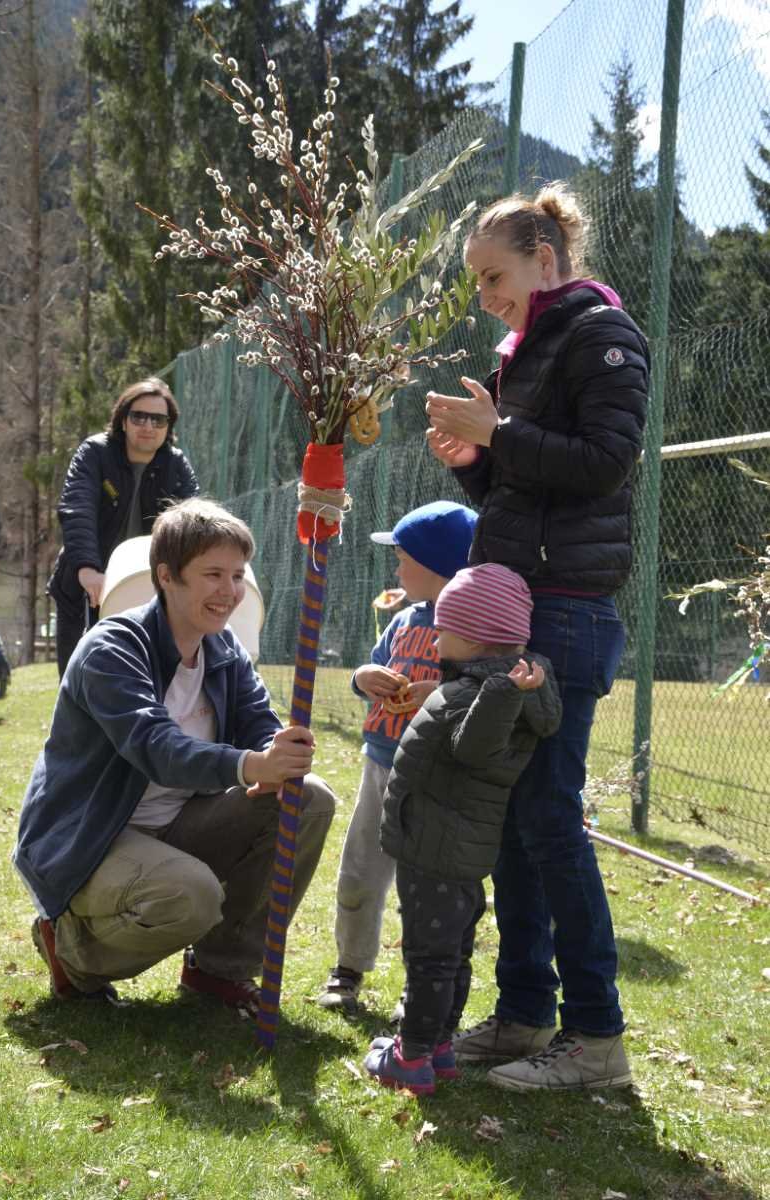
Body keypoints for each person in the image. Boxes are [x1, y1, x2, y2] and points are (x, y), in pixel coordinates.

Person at [424, 182, 648, 1090]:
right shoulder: (528, 346)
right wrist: (479, 460)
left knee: (550, 817)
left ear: (545, 261)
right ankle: (524, 1016)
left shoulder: (601, 335)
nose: (484, 296)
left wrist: (500, 430)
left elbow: (606, 464)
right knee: (516, 818)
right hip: (524, 599)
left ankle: (596, 1040)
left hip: (567, 611)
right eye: (476, 283)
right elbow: (526, 495)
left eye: (493, 276)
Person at [14, 498, 335, 1014]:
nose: (229, 591)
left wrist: (279, 749)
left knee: (309, 799)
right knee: (192, 896)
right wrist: (250, 765)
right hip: (92, 837)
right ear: (166, 575)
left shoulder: (223, 649)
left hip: (180, 822)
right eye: (212, 574)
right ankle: (74, 954)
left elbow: (258, 724)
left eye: (236, 575)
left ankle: (219, 971)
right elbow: (156, 747)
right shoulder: (112, 649)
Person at [363, 563, 561, 1095]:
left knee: (430, 957)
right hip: (451, 845)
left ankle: (412, 1056)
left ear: (475, 640)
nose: (437, 638)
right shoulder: (488, 687)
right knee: (449, 950)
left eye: (446, 629)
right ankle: (440, 1045)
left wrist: (498, 694)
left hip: (437, 846)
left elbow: (471, 749)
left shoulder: (491, 695)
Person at [317, 501, 478, 1014]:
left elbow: (479, 690)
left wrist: (442, 687)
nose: (397, 567)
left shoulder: (468, 625)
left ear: (436, 567)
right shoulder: (405, 617)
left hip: (431, 776)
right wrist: (365, 676)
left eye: (404, 558)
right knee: (361, 868)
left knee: (423, 886)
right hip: (379, 762)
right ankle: (349, 968)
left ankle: (421, 983)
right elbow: (377, 666)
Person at [48, 377, 199, 678]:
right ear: (123, 420)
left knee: (141, 678)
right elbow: (78, 509)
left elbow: (191, 519)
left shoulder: (175, 464)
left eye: (158, 419)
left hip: (144, 587)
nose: (148, 426)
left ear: (169, 426)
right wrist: (88, 569)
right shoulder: (95, 452)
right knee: (78, 677)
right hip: (86, 585)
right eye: (138, 416)